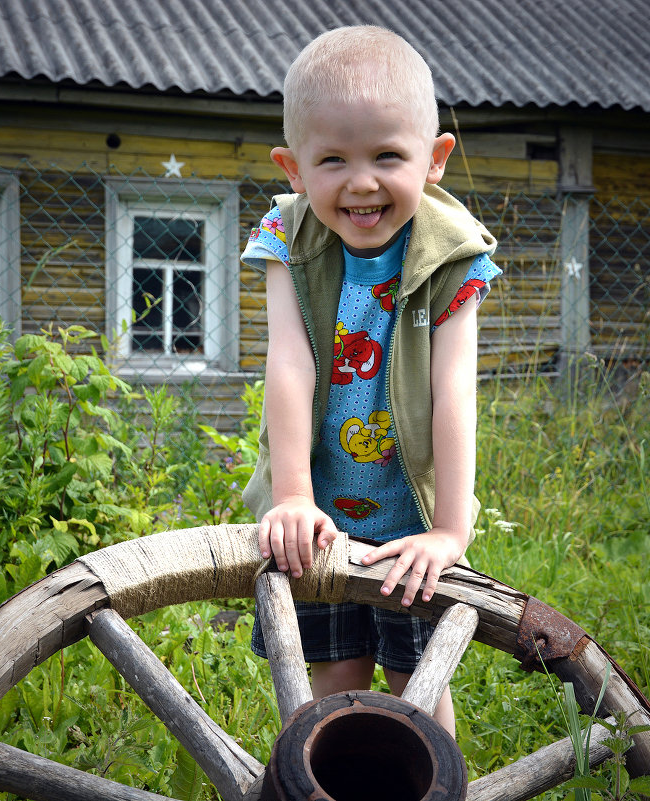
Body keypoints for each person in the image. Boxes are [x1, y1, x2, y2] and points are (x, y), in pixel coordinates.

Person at [240, 25, 500, 736]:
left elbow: (454, 393)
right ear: (293, 169)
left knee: (417, 688)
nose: (361, 182)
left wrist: (448, 530)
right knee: (333, 681)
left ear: (435, 158)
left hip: (408, 520)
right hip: (318, 515)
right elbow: (289, 363)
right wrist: (291, 497)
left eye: (388, 155)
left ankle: (428, 783)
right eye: (333, 160)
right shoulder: (286, 241)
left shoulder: (452, 258)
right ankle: (336, 779)